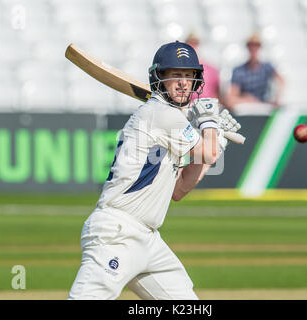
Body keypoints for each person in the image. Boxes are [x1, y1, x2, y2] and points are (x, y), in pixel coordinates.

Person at [68, 41, 237, 300]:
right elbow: (208, 150)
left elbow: (180, 189)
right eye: (176, 75)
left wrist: (215, 141)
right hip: (117, 233)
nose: (183, 83)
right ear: (159, 77)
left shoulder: (172, 120)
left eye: (189, 76)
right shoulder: (160, 114)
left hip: (148, 239)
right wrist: (210, 124)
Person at [225, 33, 285, 112]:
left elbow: (281, 81)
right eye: (251, 45)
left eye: (256, 45)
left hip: (264, 107)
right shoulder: (238, 70)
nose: (253, 48)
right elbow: (231, 99)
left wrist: (277, 98)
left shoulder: (267, 67)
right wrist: (247, 100)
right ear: (247, 47)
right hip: (245, 108)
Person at [185, 33, 222, 103]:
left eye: (195, 43)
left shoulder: (212, 69)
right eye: (190, 43)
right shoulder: (181, 68)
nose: (193, 46)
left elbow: (217, 94)